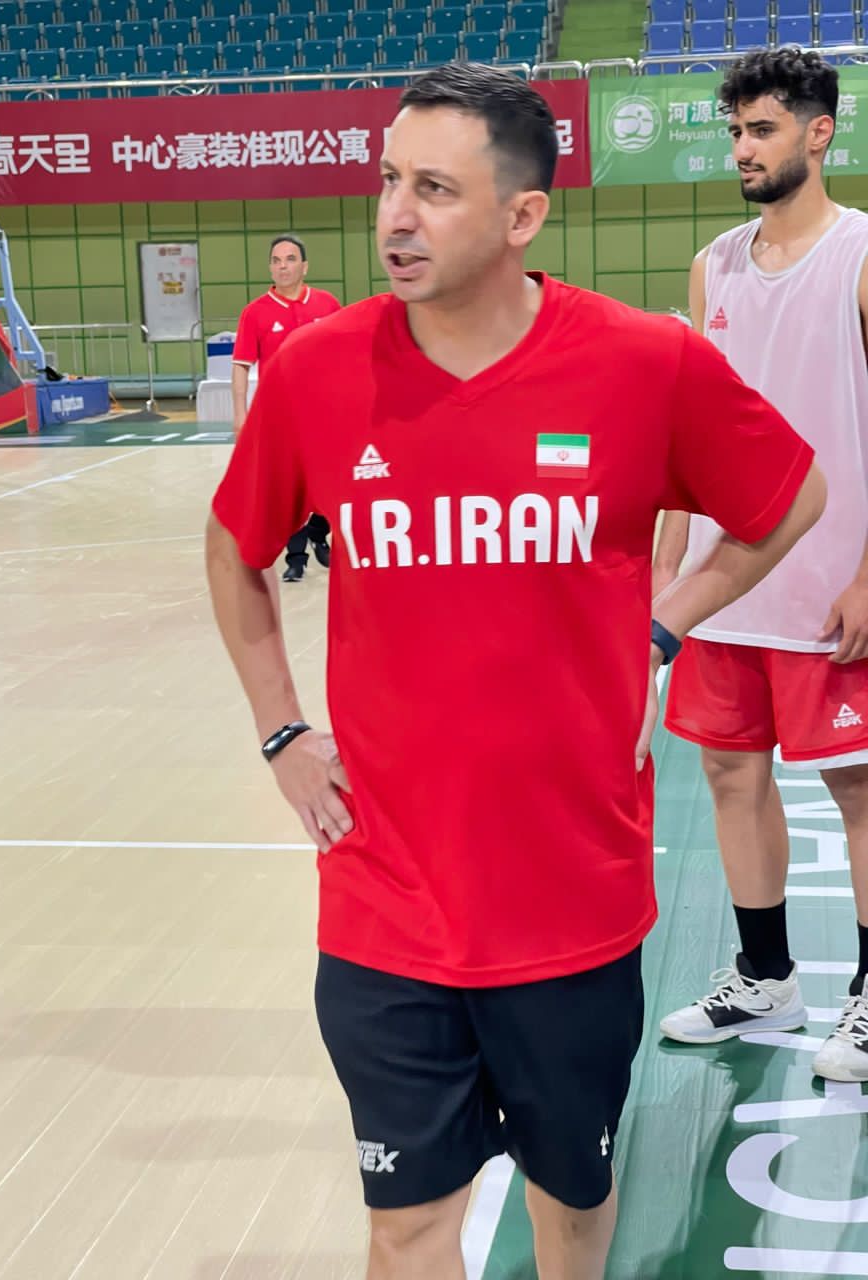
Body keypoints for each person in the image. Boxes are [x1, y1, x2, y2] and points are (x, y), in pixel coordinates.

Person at [206, 62, 825, 1280]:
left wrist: (665, 622)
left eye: (435, 190)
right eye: (389, 181)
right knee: (406, 1223)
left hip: (573, 898)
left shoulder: (641, 362)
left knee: (572, 1201)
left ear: (524, 213)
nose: (395, 216)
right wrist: (283, 732)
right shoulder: (323, 371)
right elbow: (236, 548)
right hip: (386, 897)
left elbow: (788, 496)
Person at [656, 49, 868, 1083]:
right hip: (728, 584)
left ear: (820, 133)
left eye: (763, 129)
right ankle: (766, 974)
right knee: (731, 773)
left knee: (858, 788)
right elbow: (689, 438)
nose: (742, 148)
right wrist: (667, 580)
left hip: (834, 587)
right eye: (735, 130)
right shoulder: (715, 265)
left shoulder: (861, 255)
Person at [231, 233, 341, 581]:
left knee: (330, 480)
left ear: (304, 266)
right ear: (270, 268)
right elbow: (241, 365)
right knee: (288, 488)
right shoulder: (255, 313)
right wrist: (240, 415)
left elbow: (344, 356)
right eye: (276, 261)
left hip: (324, 414)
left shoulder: (327, 305)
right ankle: (296, 558)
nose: (283, 267)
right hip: (280, 416)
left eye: (290, 259)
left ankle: (318, 531)